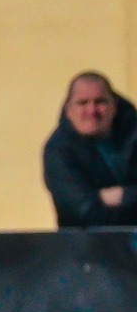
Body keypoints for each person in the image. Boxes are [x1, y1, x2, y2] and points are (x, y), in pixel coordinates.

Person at [43, 71, 137, 227]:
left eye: (100, 102)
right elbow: (86, 214)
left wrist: (121, 196)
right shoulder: (58, 151)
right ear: (69, 111)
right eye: (82, 103)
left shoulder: (133, 136)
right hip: (88, 248)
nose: (92, 110)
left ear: (114, 106)